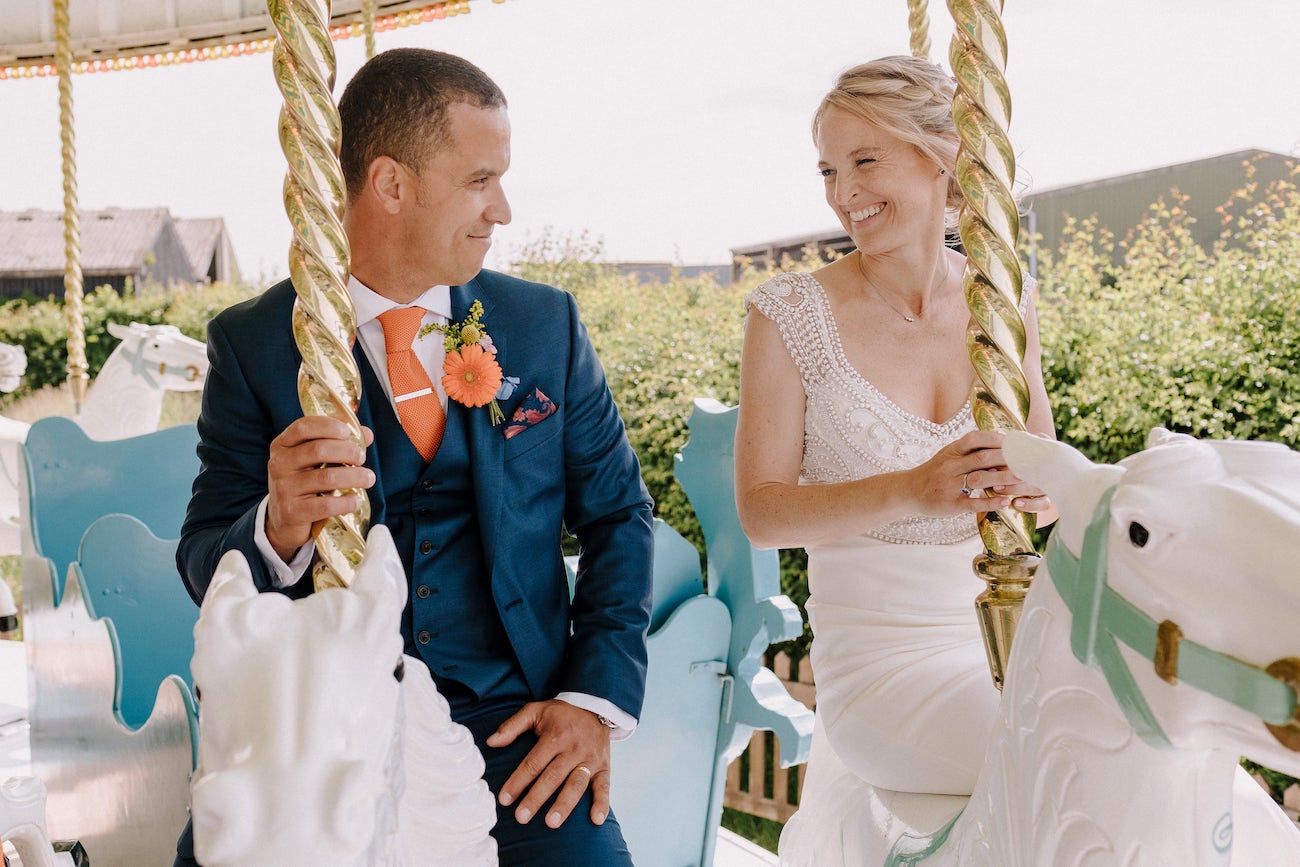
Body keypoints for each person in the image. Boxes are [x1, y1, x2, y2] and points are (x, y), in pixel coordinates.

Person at [174, 48, 653, 867]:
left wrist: (590, 700)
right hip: (324, 736)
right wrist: (279, 524)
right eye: (479, 180)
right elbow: (204, 559)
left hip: (517, 734)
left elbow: (619, 518)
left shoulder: (546, 327)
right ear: (392, 185)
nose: (501, 208)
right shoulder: (253, 346)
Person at [734, 56, 1057, 865]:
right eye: (828, 170)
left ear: (941, 155)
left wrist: (1038, 490)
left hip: (1015, 636)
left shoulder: (1002, 302)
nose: (844, 193)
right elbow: (762, 511)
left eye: (864, 161)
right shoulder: (788, 313)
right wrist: (913, 489)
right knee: (1059, 746)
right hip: (882, 666)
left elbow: (1047, 489)